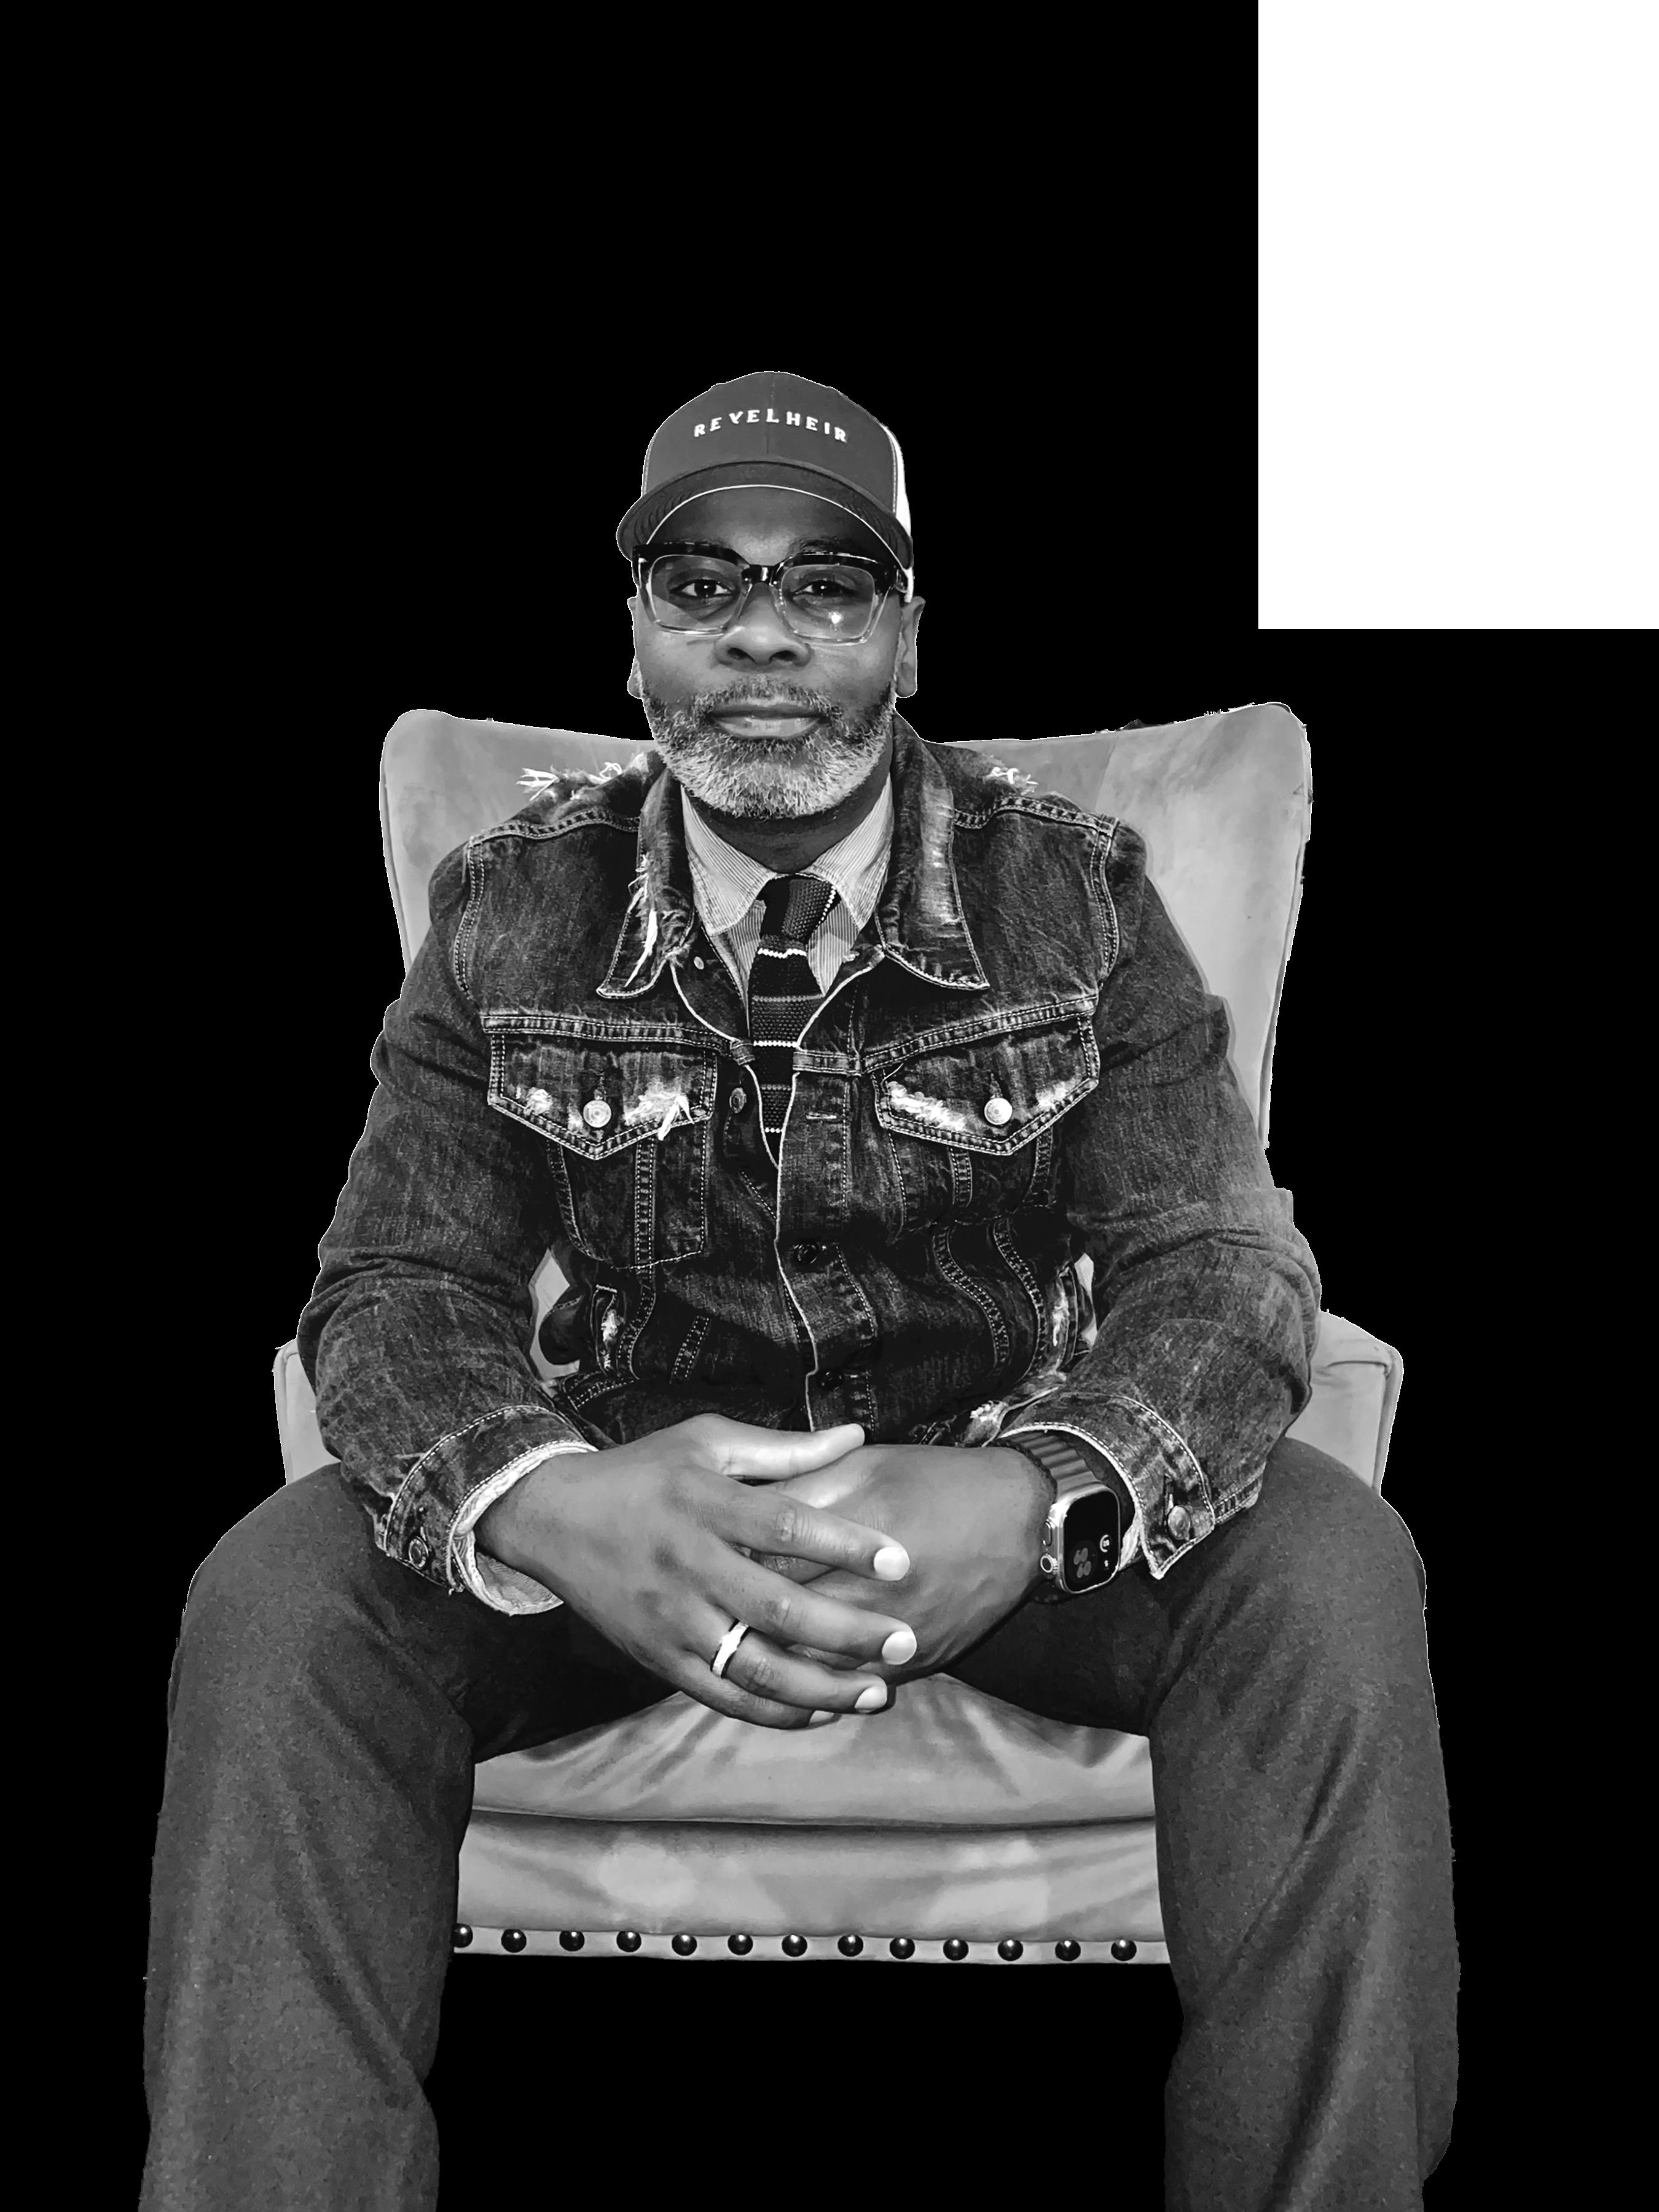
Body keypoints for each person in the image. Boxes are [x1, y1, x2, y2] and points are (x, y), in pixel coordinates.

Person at [141, 371, 1457, 2210]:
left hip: (991, 1495)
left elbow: (1219, 1263)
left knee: (1329, 1567)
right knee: (277, 1595)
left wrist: (1040, 1490)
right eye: (701, 582)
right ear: (637, 637)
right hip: (633, 1500)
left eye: (828, 583)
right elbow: (393, 1279)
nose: (762, 632)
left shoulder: (1078, 896)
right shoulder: (511, 904)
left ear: (907, 632)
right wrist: (550, 1500)